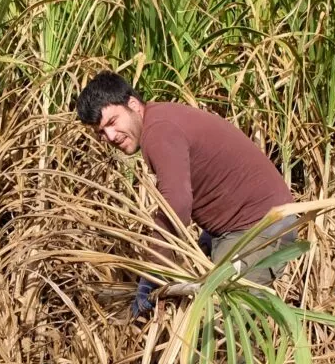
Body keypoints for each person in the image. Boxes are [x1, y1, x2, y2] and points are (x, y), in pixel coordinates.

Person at [76, 71, 299, 319]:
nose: (109, 137)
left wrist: (151, 274)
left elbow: (176, 204)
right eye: (100, 132)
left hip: (260, 229)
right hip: (241, 226)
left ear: (133, 105)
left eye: (112, 122)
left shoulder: (159, 131)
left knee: (223, 329)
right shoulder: (162, 118)